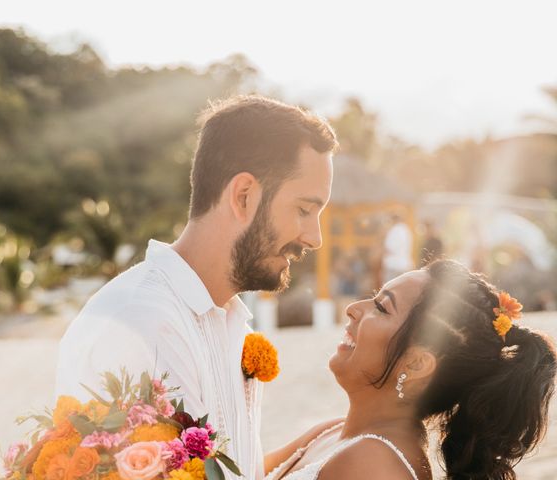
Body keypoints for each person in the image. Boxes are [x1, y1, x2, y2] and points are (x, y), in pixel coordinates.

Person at [55, 95, 339, 479]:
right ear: (244, 196)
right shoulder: (135, 324)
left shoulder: (234, 324)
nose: (314, 238)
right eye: (304, 210)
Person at [265, 259, 556, 480]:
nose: (353, 308)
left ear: (416, 363)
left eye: (381, 308)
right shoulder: (332, 431)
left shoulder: (372, 465)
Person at [382, 213, 414, 283]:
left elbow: (389, 248)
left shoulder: (394, 231)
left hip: (394, 265)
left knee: (389, 290)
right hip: (405, 265)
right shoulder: (406, 230)